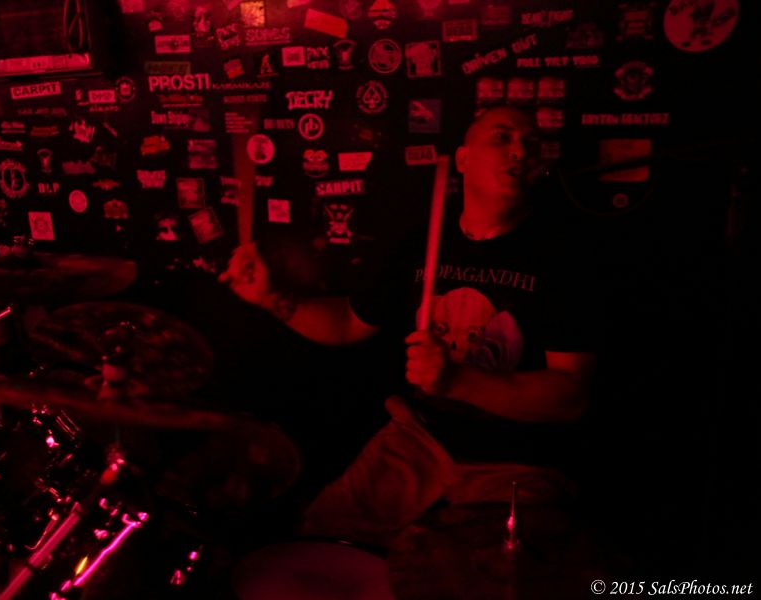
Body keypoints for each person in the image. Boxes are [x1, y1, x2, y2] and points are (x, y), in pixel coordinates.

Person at [219, 105, 599, 548]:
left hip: (520, 462)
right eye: (502, 137)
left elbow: (570, 397)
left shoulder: (565, 255)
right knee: (318, 546)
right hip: (418, 438)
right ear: (463, 159)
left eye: (530, 144)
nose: (520, 150)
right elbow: (347, 323)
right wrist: (272, 300)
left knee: (485, 571)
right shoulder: (418, 243)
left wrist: (457, 380)